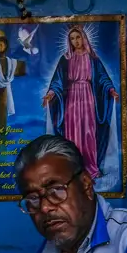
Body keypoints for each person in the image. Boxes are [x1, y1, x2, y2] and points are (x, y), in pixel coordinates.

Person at [42, 25, 118, 180]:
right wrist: (50, 94)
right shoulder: (66, 59)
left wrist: (111, 90)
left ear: (84, 38)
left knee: (89, 134)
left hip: (88, 99)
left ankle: (90, 167)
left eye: (78, 37)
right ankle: (73, 169)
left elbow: (103, 78)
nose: (75, 41)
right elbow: (57, 80)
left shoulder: (93, 59)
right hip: (71, 100)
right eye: (72, 38)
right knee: (72, 134)